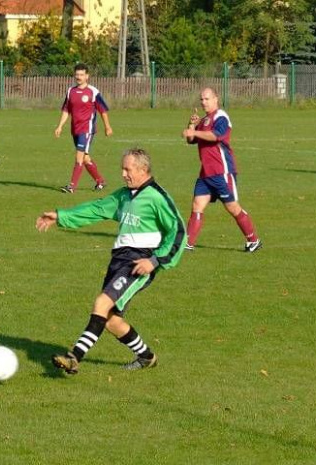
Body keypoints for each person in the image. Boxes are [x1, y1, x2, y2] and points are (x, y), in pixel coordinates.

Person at [36, 148, 186, 374]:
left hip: (138, 262)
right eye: (122, 169)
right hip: (119, 260)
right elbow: (97, 209)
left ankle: (74, 357)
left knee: (101, 304)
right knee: (110, 321)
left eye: (128, 169)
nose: (123, 174)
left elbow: (178, 232)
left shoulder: (156, 197)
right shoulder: (125, 195)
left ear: (143, 169)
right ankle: (146, 356)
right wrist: (61, 216)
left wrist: (154, 262)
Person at [182, 88, 261, 252]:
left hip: (222, 171)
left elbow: (216, 135)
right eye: (201, 99)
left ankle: (253, 240)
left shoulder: (221, 116)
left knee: (233, 208)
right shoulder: (204, 120)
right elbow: (191, 140)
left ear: (216, 98)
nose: (203, 102)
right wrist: (191, 125)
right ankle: (188, 244)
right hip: (206, 173)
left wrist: (194, 130)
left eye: (207, 99)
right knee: (197, 205)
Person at [54, 63, 112, 193]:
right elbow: (66, 110)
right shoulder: (71, 91)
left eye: (81, 75)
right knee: (85, 158)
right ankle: (100, 181)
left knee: (79, 157)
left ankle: (72, 186)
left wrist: (107, 126)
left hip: (87, 129)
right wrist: (60, 126)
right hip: (75, 129)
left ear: (87, 76)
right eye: (77, 74)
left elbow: (103, 110)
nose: (79, 77)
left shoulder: (93, 92)